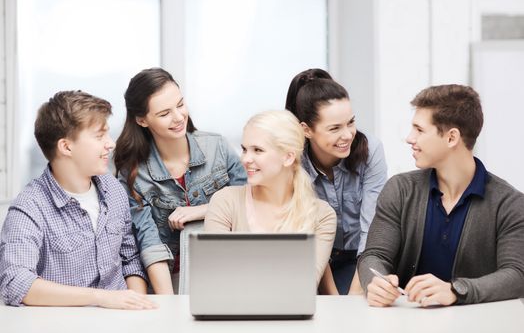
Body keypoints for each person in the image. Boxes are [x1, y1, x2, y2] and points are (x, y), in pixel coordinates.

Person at [358, 84, 524, 307]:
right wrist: (376, 281)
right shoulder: (399, 189)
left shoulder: (510, 204)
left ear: (451, 138)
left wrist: (457, 291)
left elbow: (516, 275)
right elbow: (374, 255)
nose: (409, 138)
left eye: (419, 130)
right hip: (404, 321)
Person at [0, 91, 154, 309]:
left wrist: (137, 306)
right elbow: (16, 283)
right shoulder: (29, 207)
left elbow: (130, 261)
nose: (110, 144)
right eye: (99, 136)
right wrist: (102, 298)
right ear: (66, 147)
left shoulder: (114, 190)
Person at [114, 68, 246, 294]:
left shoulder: (218, 148)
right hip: (168, 278)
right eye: (164, 113)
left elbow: (251, 201)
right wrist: (169, 304)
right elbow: (149, 242)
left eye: (180, 104)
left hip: (227, 270)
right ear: (142, 120)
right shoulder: (133, 174)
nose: (178, 117)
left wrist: (204, 209)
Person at [204, 110, 336, 286]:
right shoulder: (225, 201)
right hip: (234, 312)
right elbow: (217, 276)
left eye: (257, 150)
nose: (245, 159)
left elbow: (304, 285)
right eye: (244, 149)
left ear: (288, 157)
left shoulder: (322, 215)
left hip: (292, 312)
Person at [286, 69, 387, 295]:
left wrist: (355, 292)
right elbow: (309, 236)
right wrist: (336, 300)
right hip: (317, 262)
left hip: (363, 258)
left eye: (350, 122)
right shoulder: (293, 163)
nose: (348, 135)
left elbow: (372, 227)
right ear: (306, 130)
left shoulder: (371, 150)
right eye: (334, 128)